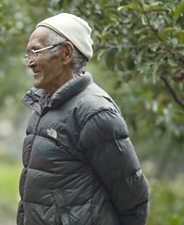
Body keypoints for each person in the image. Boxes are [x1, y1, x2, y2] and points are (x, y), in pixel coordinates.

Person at [17, 13, 149, 225]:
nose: (30, 62)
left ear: (66, 53)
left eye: (35, 51)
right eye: (28, 54)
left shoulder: (95, 112)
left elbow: (132, 194)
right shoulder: (42, 108)